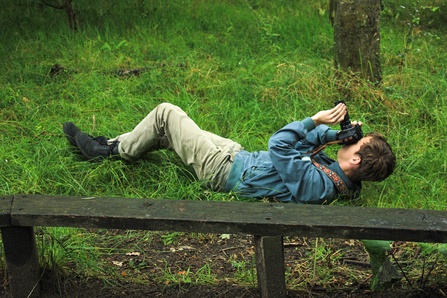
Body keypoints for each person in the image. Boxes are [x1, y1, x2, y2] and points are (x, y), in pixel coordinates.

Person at [63, 102, 396, 204]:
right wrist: (338, 133)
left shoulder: (316, 182)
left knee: (166, 114)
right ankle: (116, 145)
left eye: (355, 143)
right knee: (168, 134)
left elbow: (279, 143)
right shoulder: (341, 179)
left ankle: (108, 152)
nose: (351, 140)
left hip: (220, 170)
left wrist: (313, 121)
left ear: (354, 160)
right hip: (237, 157)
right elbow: (311, 147)